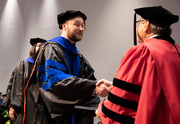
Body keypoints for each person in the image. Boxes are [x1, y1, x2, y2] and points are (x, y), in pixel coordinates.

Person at [23, 10, 112, 124]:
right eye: (76, 24)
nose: (80, 28)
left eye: (82, 25)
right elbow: (57, 82)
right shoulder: (51, 49)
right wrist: (93, 87)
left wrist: (98, 106)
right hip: (52, 117)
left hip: (73, 116)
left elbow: (90, 81)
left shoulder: (78, 56)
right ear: (64, 26)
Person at [96, 6, 180, 124]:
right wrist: (113, 86)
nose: (137, 27)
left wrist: (103, 110)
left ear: (146, 24)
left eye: (139, 22)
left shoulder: (143, 52)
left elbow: (123, 101)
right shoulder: (176, 51)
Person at [2, 38, 46, 124]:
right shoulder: (24, 64)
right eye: (39, 46)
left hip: (41, 108)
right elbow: (15, 85)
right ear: (34, 48)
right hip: (24, 107)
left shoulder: (46, 68)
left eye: (43, 47)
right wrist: (13, 105)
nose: (41, 48)